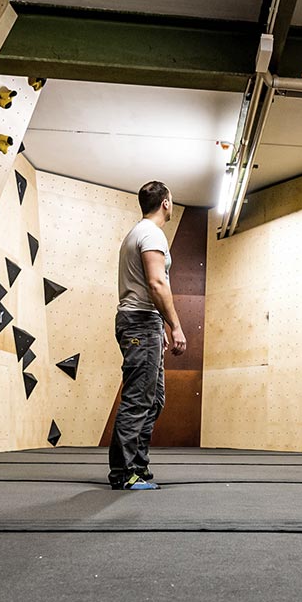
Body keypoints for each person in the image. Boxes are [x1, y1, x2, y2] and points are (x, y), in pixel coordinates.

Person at [108, 180, 187, 490]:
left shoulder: (138, 232)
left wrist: (159, 325)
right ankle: (123, 473)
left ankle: (138, 466)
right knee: (138, 399)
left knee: (153, 401)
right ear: (165, 203)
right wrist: (175, 325)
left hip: (145, 322)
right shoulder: (151, 234)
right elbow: (156, 283)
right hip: (140, 322)